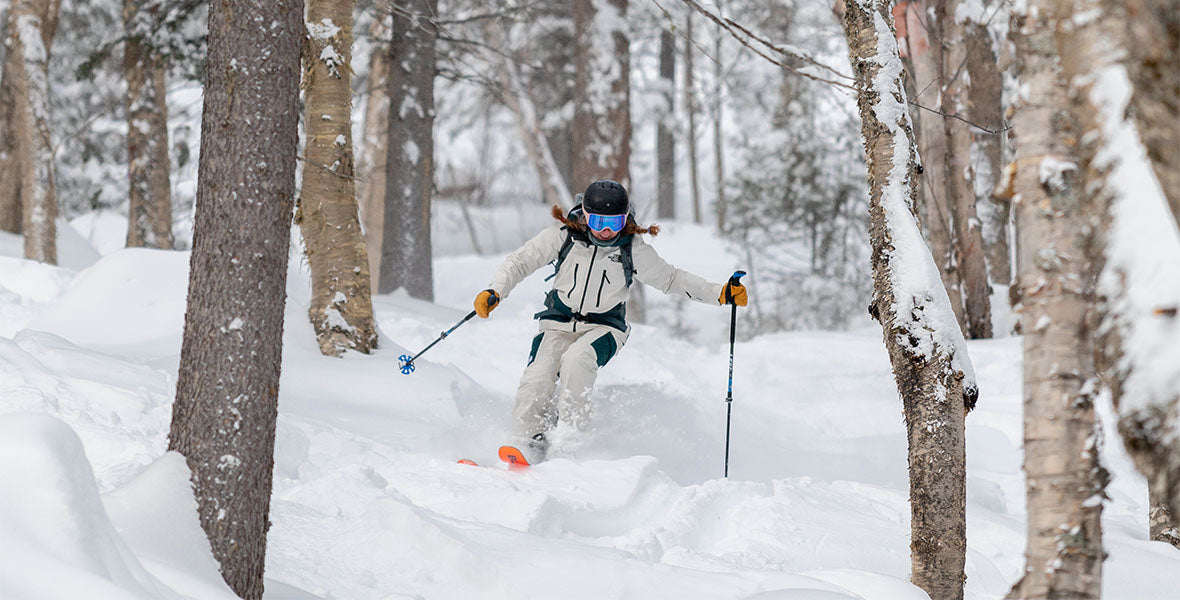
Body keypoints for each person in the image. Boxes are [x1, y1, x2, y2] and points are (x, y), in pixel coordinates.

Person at [474, 179, 748, 465]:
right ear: (584, 214)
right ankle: (525, 440)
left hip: (605, 327)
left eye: (614, 222)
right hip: (558, 321)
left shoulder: (632, 249)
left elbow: (671, 279)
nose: (606, 230)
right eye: (598, 221)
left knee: (577, 361)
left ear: (626, 219)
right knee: (538, 375)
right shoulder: (563, 236)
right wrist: (495, 290)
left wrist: (720, 293)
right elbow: (520, 261)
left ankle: (569, 443)